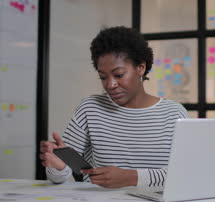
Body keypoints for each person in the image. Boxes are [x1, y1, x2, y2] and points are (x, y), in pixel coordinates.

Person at [39, 26, 188, 189]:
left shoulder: (174, 113)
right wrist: (58, 166)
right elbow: (61, 175)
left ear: (141, 68)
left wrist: (132, 177)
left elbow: (186, 172)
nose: (110, 85)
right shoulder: (90, 109)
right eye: (103, 77)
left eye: (119, 75)